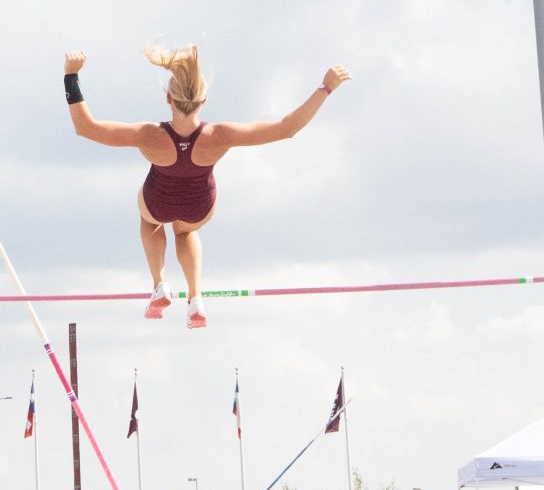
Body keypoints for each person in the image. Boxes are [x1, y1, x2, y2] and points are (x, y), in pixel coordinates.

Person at [64, 46, 352, 329]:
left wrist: (71, 77)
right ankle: (195, 299)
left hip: (157, 201)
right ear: (204, 99)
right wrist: (325, 88)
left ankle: (159, 285)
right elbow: (287, 128)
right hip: (200, 206)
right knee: (185, 230)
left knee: (150, 222)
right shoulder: (220, 135)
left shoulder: (149, 136)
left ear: (168, 98)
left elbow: (86, 128)